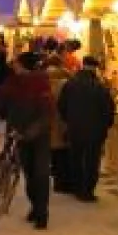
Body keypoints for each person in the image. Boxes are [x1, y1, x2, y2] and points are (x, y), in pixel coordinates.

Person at [0, 51, 53, 230]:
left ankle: (41, 213)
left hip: (39, 136)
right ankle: (36, 207)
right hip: (17, 134)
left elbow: (46, 114)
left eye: (15, 62)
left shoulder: (41, 83)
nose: (12, 65)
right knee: (29, 173)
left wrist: (30, 133)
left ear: (23, 65)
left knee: (40, 174)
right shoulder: (12, 82)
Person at [58, 56, 116, 202]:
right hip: (95, 130)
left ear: (82, 66)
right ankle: (88, 190)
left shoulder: (70, 84)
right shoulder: (100, 87)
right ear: (95, 68)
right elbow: (108, 109)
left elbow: (61, 105)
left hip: (75, 128)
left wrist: (68, 120)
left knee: (76, 158)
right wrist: (106, 125)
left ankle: (77, 188)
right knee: (92, 160)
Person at [45, 53, 72, 193]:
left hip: (49, 122)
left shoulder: (44, 81)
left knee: (55, 154)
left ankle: (58, 183)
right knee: (65, 154)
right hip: (64, 122)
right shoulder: (67, 82)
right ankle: (65, 182)